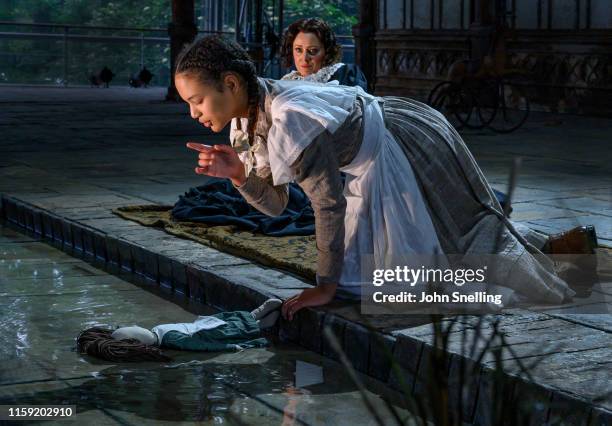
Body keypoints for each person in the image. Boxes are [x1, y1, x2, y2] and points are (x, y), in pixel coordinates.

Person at [174, 35, 595, 321]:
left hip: (406, 139)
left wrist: (323, 288)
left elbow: (327, 204)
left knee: (457, 237)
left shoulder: (288, 118)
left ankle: (565, 272)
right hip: (370, 160)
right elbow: (278, 205)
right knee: (408, 263)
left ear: (230, 83)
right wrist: (239, 176)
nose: (194, 113)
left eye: (197, 100)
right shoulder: (246, 122)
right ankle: (564, 246)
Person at [77, 299, 282, 362]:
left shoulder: (158, 331)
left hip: (203, 325)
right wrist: (236, 346)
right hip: (209, 333)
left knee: (232, 320)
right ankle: (261, 323)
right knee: (236, 326)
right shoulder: (172, 339)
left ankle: (257, 315)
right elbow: (202, 346)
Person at [279, 18, 367, 91]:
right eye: (298, 50)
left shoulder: (346, 74)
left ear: (327, 51)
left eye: (312, 51)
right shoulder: (287, 81)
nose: (304, 58)